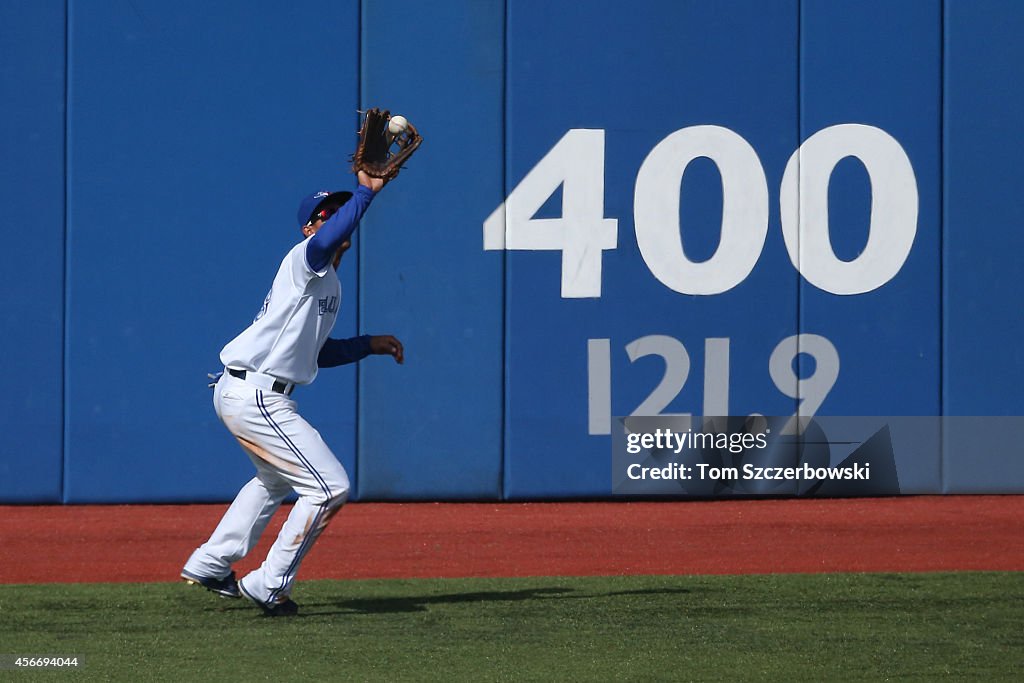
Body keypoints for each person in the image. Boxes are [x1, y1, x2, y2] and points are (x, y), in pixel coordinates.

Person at [181, 170, 403, 617]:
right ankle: (269, 584)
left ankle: (210, 563)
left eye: (340, 210)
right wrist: (365, 193)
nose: (338, 218)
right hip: (256, 395)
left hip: (249, 391)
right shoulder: (306, 258)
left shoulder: (330, 284)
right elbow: (328, 239)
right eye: (328, 213)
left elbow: (314, 353)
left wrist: (368, 345)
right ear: (310, 228)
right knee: (329, 487)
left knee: (275, 480)